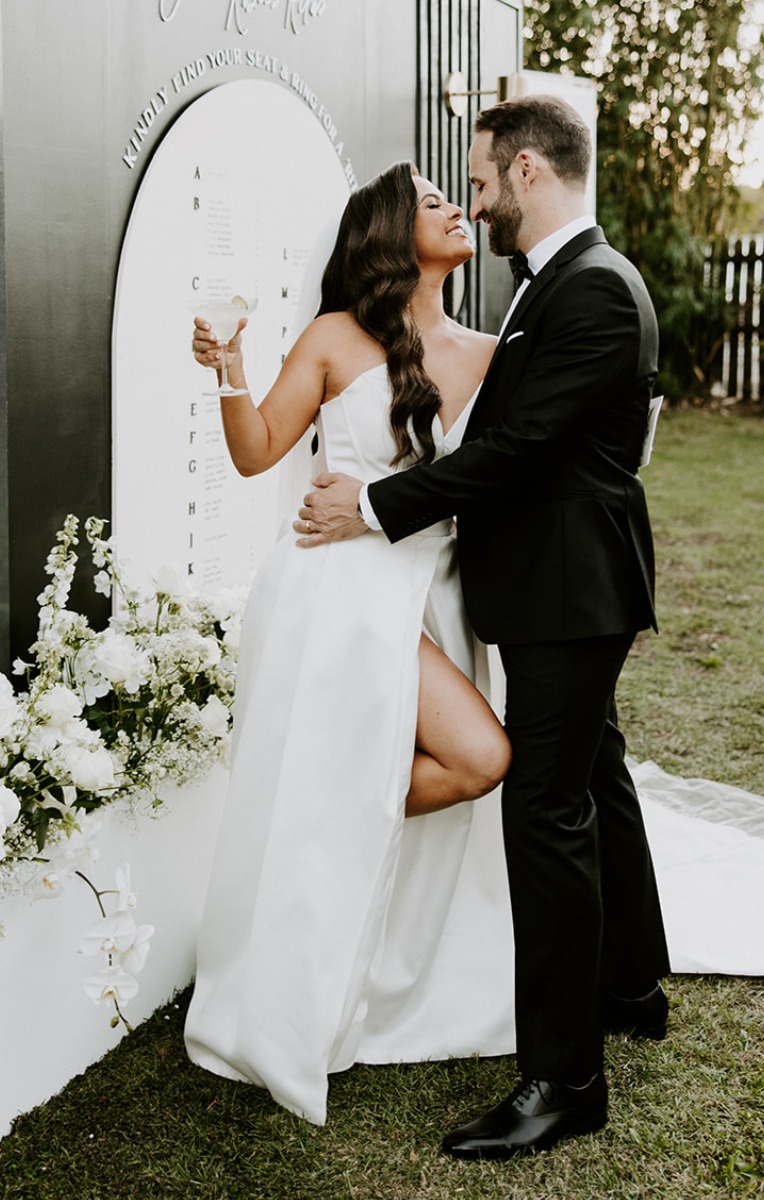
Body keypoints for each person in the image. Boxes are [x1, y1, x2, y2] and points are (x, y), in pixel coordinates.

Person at [296, 94, 670, 1159]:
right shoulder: (560, 285)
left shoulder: (591, 289)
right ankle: (632, 983)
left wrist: (371, 507)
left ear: (530, 174)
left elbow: (521, 451)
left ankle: (564, 1079)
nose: (477, 194)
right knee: (596, 775)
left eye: (484, 174)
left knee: (546, 811)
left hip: (571, 589)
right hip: (565, 585)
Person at [183, 161, 520, 1125]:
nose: (456, 207)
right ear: (387, 237)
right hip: (340, 594)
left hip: (437, 593)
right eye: (430, 201)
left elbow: (498, 476)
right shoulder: (336, 337)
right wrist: (230, 369)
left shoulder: (492, 352)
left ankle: (337, 815)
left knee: (462, 765)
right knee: (480, 753)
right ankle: (322, 855)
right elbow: (257, 454)